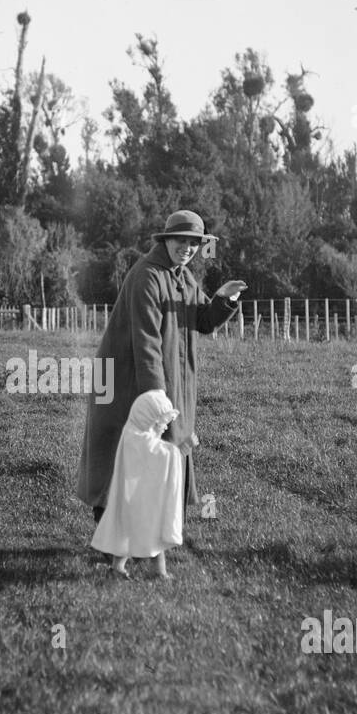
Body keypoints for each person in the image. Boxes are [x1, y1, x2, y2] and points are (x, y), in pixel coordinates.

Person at [76, 209, 246, 542]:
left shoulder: (183, 277)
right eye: (181, 241)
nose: (187, 248)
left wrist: (224, 299)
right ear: (167, 239)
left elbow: (203, 320)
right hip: (128, 381)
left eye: (194, 243)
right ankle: (114, 539)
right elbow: (146, 341)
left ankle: (153, 535)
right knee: (123, 453)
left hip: (171, 382)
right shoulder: (147, 276)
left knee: (167, 452)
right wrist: (157, 399)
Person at [91, 389, 185, 580]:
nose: (164, 428)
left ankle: (117, 568)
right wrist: (181, 449)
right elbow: (158, 454)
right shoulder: (138, 438)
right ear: (147, 419)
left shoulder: (134, 432)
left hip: (133, 495)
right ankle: (158, 572)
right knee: (152, 532)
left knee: (125, 530)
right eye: (160, 423)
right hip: (140, 497)